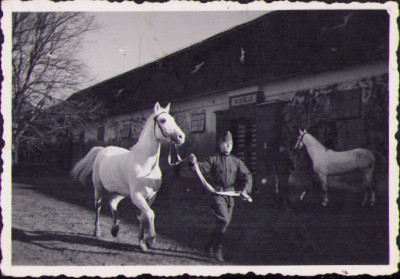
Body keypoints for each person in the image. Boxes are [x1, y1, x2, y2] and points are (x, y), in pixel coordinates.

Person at [188, 131, 252, 262]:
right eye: (225, 143)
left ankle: (208, 246)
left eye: (230, 143)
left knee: (222, 224)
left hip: (230, 196)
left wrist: (245, 190)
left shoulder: (236, 161)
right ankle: (217, 249)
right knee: (224, 221)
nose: (228, 146)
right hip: (217, 195)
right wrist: (193, 163)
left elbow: (247, 175)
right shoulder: (213, 159)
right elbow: (199, 168)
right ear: (220, 144)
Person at [272, 144, 294, 211]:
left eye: (282, 147)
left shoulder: (284, 156)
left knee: (283, 190)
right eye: (280, 147)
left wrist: (292, 168)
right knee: (282, 190)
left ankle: (285, 205)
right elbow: (276, 165)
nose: (281, 149)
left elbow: (291, 164)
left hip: (283, 175)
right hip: (281, 175)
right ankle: (283, 205)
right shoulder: (281, 156)